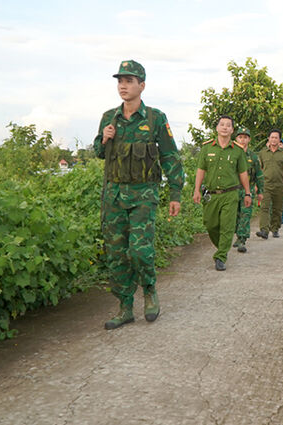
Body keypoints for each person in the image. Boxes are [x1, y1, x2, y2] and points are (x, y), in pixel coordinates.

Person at [94, 60, 184, 330]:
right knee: (117, 254)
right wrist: (104, 138)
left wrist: (175, 194)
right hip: (114, 197)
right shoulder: (109, 117)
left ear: (141, 86)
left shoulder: (155, 118)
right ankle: (124, 307)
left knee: (140, 251)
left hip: (144, 194)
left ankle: (149, 291)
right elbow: (98, 152)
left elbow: (170, 156)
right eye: (120, 81)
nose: (123, 85)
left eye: (129, 81)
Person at [193, 115, 252, 271]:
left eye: (228, 125)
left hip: (230, 194)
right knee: (210, 224)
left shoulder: (237, 151)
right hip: (211, 195)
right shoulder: (207, 148)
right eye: (222, 124)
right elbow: (201, 170)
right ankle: (222, 246)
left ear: (232, 130)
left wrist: (247, 193)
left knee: (227, 226)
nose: (225, 127)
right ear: (217, 128)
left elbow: (243, 173)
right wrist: (196, 190)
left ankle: (220, 256)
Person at [256, 129, 283, 239]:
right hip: (266, 185)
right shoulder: (263, 153)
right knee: (264, 207)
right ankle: (264, 230)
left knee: (277, 209)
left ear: (279, 140)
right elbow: (259, 169)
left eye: (276, 137)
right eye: (272, 137)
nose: (273, 139)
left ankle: (275, 228)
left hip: (280, 185)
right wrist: (257, 184)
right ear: (268, 139)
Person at [233, 126, 264, 253]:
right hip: (233, 190)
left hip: (248, 190)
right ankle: (237, 234)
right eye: (240, 137)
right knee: (234, 216)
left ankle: (242, 240)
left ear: (249, 140)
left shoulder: (253, 157)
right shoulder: (231, 154)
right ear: (236, 139)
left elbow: (259, 175)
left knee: (245, 215)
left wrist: (260, 191)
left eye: (245, 138)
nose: (242, 140)